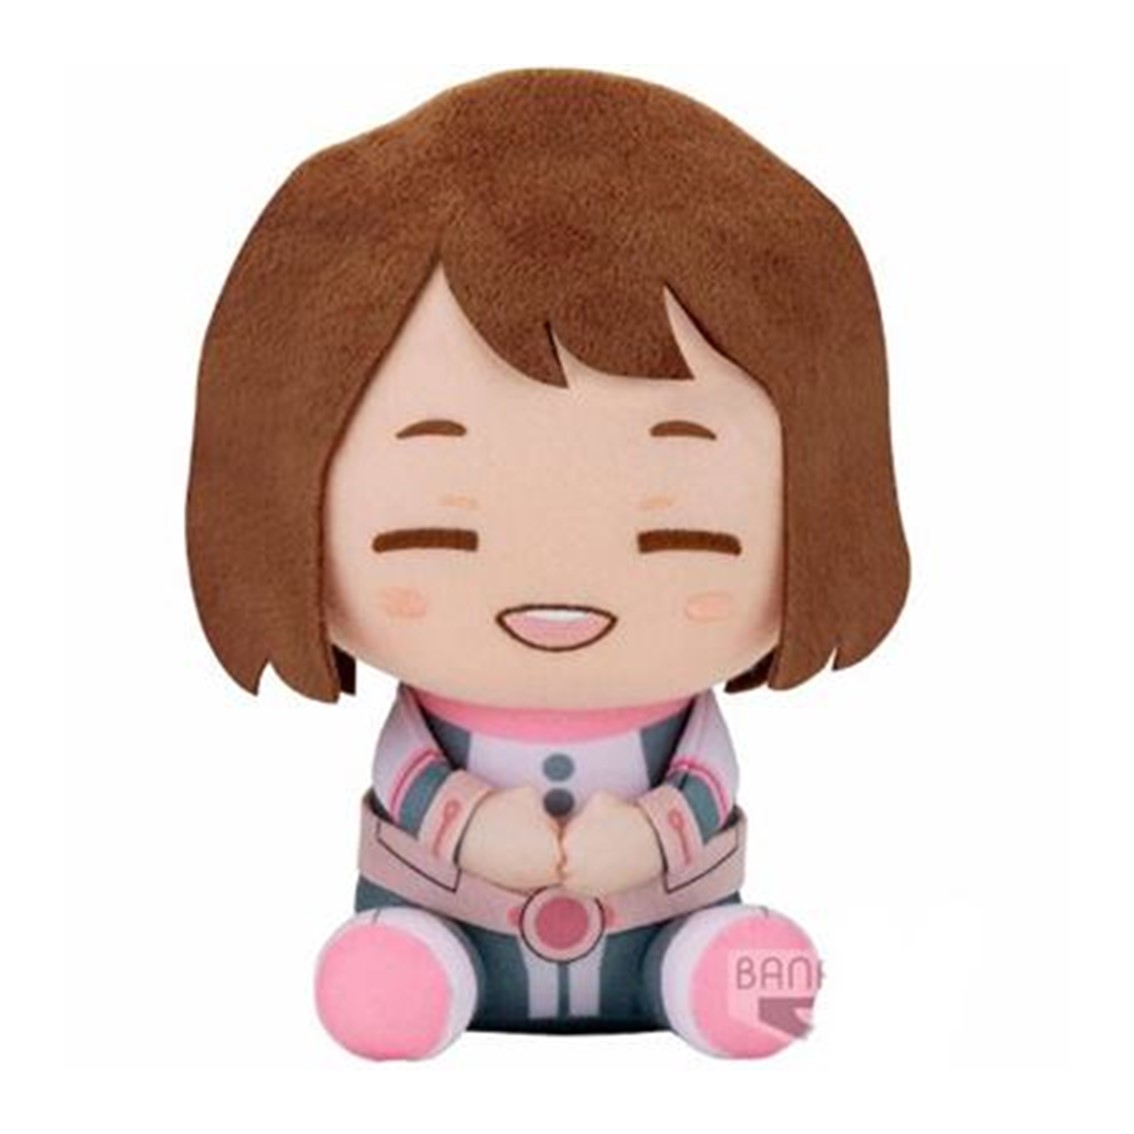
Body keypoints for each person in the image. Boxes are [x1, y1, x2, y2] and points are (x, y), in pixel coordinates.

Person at [186, 68, 910, 1061]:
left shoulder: (686, 727)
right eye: (441, 530)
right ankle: (410, 977)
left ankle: (713, 972)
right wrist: (471, 828)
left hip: (660, 913)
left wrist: (652, 837)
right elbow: (410, 775)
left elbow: (703, 782)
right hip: (449, 910)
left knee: (732, 965)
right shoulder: (425, 726)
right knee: (396, 966)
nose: (557, 578)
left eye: (675, 533)